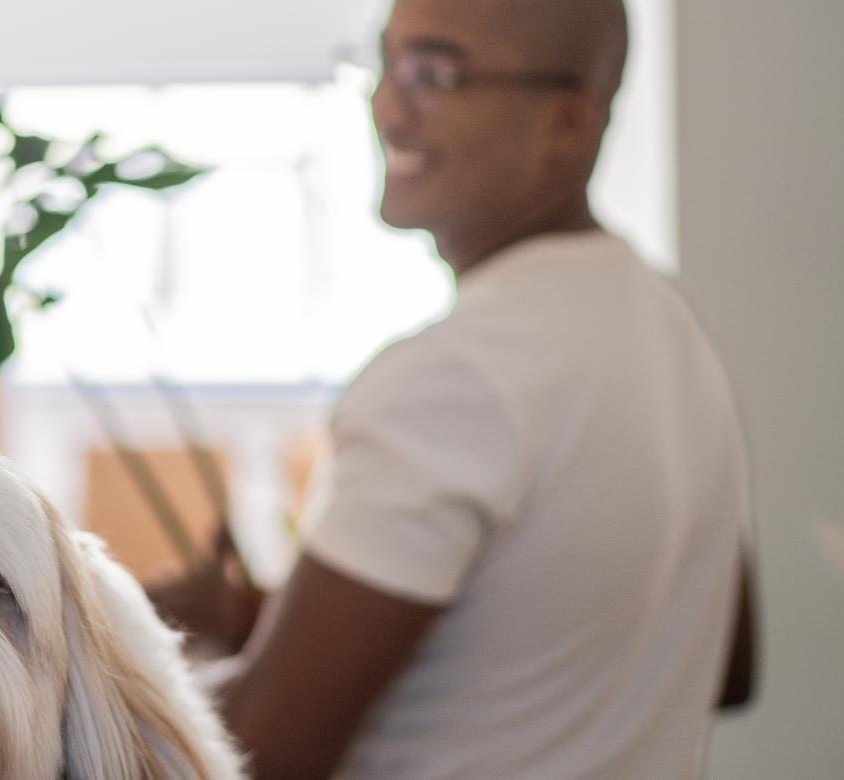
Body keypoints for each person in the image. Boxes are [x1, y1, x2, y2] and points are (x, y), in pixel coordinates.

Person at [151, 0, 758, 776]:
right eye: (384, 62)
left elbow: (261, 759)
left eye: (433, 73)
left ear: (567, 123)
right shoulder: (666, 324)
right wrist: (256, 618)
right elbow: (720, 663)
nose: (386, 107)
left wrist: (139, 646)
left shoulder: (457, 376)